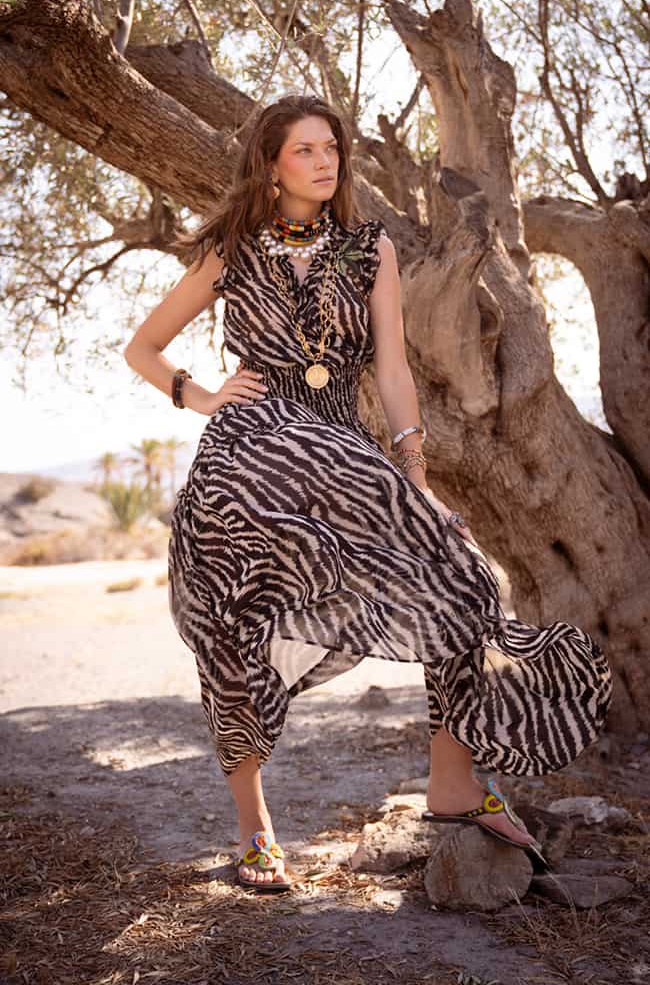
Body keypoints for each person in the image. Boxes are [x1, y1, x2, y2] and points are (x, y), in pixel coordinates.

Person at [124, 92, 612, 896]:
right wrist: (200, 395)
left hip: (340, 452)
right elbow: (143, 346)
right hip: (247, 459)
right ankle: (255, 831)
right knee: (233, 629)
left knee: (461, 576)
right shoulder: (230, 249)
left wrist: (413, 476)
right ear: (270, 166)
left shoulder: (369, 248)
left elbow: (392, 368)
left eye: (331, 148)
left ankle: (452, 781)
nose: (325, 162)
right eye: (305, 150)